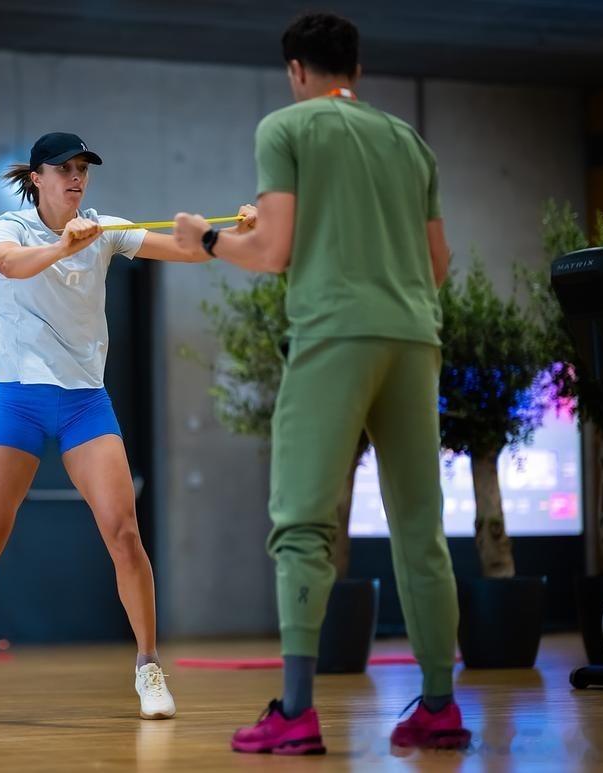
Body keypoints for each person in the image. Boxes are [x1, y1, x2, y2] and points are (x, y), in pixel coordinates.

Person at [174, 12, 471, 755]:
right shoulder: (410, 143)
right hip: (414, 339)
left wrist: (205, 238)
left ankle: (297, 712)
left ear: (296, 71)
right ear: (357, 72)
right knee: (420, 527)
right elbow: (438, 265)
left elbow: (273, 252)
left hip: (334, 335)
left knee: (303, 521)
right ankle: (440, 706)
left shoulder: (286, 128)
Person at [0, 131, 256, 723]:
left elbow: (188, 252)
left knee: (124, 532)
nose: (76, 178)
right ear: (37, 178)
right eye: (64, 169)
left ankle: (148, 666)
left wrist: (233, 236)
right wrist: (63, 246)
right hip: (18, 398)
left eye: (82, 169)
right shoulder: (10, 228)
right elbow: (10, 265)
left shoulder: (106, 229)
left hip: (84, 404)